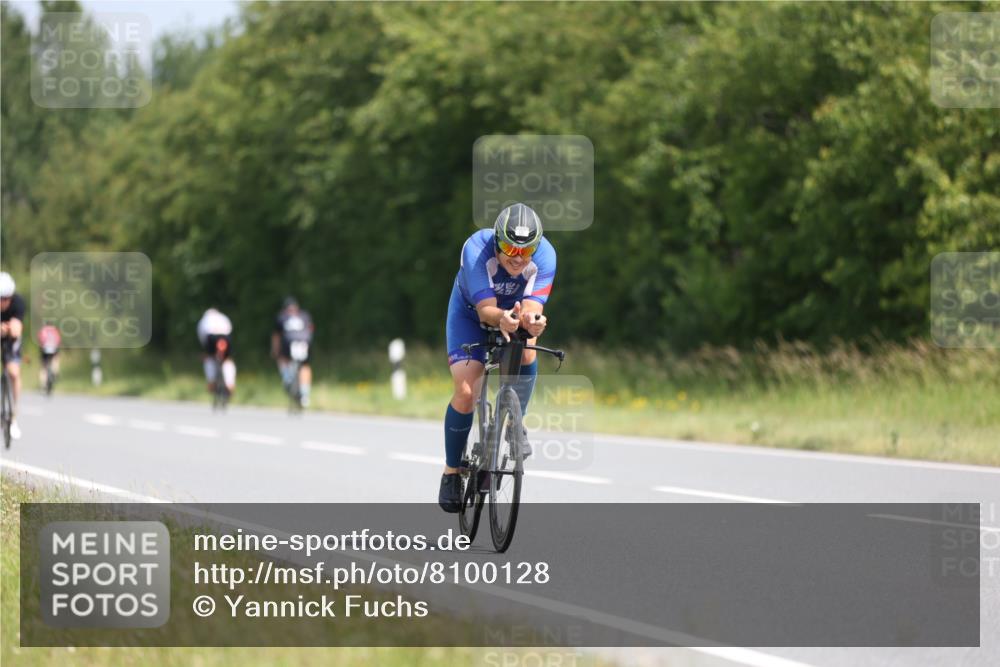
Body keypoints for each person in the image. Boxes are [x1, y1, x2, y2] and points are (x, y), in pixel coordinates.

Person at [438, 203, 556, 513]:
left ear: (537, 245)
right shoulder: (476, 248)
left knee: (527, 345)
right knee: (466, 392)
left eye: (526, 250)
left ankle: (515, 422)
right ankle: (452, 472)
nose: (517, 258)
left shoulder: (546, 256)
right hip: (471, 315)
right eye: (508, 248)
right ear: (496, 241)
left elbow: (532, 308)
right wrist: (501, 318)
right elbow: (485, 309)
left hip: (512, 313)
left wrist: (533, 322)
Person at [271, 296, 315, 407]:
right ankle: (305, 394)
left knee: (282, 359)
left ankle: (287, 378)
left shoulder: (282, 317)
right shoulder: (305, 315)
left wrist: (275, 351)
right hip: (305, 341)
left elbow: (277, 336)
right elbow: (310, 330)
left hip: (289, 341)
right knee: (305, 366)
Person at [0, 272, 24, 439]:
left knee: (14, 373)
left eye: (6, 298)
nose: (3, 303)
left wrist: (6, 329)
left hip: (10, 340)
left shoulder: (18, 303)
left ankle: (13, 417)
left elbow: (16, 329)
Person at [196, 307, 236, 395]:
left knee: (209, 358)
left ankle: (211, 382)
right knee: (228, 360)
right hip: (226, 338)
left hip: (211, 337)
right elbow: (229, 329)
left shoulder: (204, 320)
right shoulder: (223, 317)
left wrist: (208, 352)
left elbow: (202, 338)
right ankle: (230, 384)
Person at [37, 324, 62, 390]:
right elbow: (58, 340)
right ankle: (55, 372)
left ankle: (43, 384)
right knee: (56, 358)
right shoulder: (55, 330)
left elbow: (40, 340)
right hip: (54, 348)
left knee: (43, 367)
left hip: (44, 349)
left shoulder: (43, 330)